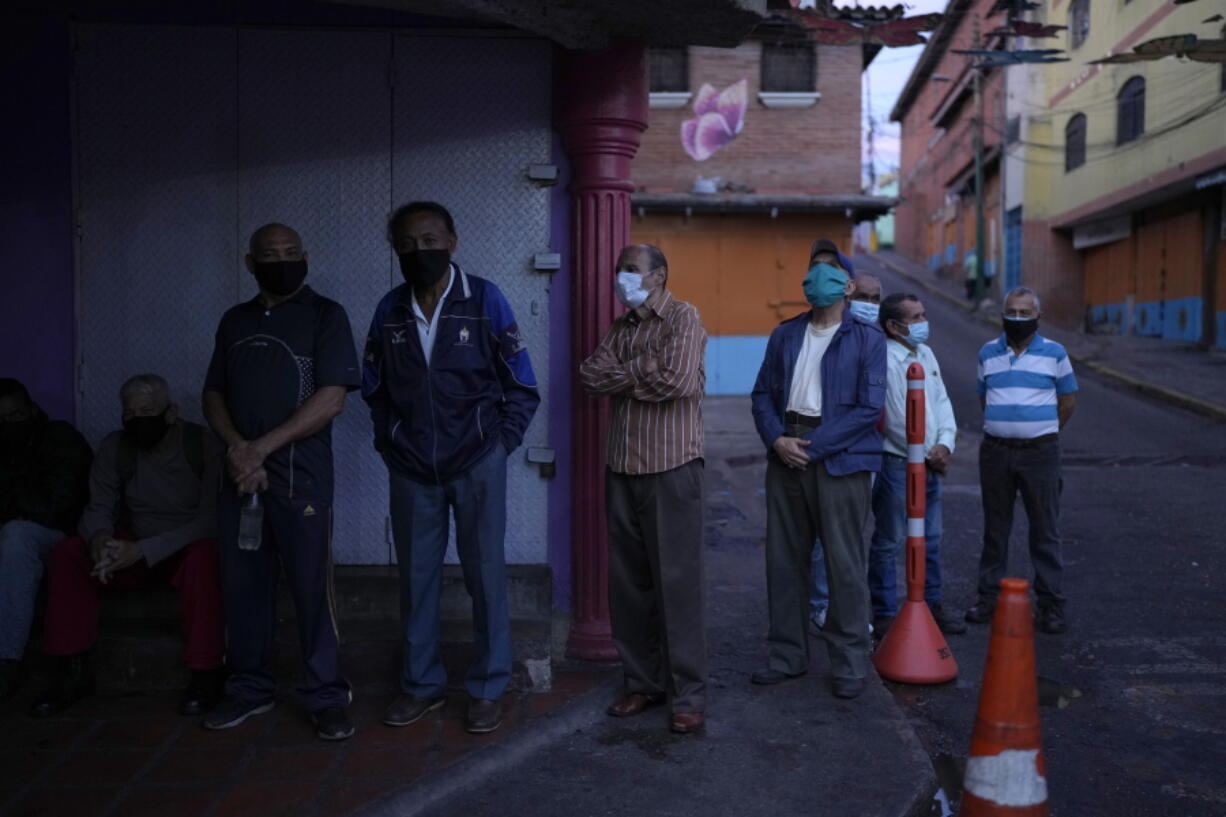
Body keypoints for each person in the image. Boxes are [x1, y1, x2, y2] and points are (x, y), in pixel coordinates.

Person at [364, 202, 539, 736]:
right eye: (409, 243)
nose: (422, 251)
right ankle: (421, 685)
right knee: (416, 580)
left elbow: (522, 385)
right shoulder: (389, 310)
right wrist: (392, 443)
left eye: (431, 239)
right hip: (412, 468)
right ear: (396, 249)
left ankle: (488, 686)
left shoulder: (485, 300)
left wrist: (498, 448)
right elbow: (374, 389)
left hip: (477, 463)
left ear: (453, 241)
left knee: (485, 576)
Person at [202, 223, 361, 740]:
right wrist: (236, 449)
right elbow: (213, 394)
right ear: (250, 263)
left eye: (291, 252)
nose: (281, 260)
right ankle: (248, 689)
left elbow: (332, 397)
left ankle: (325, 695)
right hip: (241, 481)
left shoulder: (325, 315)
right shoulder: (235, 320)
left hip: (301, 480)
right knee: (243, 589)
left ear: (306, 257)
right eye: (270, 254)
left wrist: (260, 449)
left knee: (312, 591)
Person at [31, 374, 225, 717]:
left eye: (147, 411)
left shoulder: (202, 445)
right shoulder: (115, 447)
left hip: (182, 547)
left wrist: (144, 550)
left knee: (206, 558)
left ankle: (205, 673)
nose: (138, 421)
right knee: (68, 555)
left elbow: (210, 521)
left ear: (170, 412)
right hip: (132, 549)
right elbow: (98, 508)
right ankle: (70, 669)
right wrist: (101, 541)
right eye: (129, 413)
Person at [579, 244, 708, 735]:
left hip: (672, 467)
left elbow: (676, 381)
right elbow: (589, 376)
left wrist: (623, 376)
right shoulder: (622, 327)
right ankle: (642, 683)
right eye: (618, 269)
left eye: (630, 270)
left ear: (658, 275)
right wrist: (642, 370)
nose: (621, 277)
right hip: (623, 468)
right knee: (629, 586)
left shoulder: (683, 316)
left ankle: (688, 695)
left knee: (678, 586)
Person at [750, 239, 886, 699]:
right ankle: (787, 657)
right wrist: (776, 439)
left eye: (830, 268)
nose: (818, 275)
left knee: (845, 564)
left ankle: (849, 663)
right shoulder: (785, 334)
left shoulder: (868, 339)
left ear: (847, 284)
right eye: (814, 268)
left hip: (839, 460)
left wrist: (812, 447)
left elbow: (869, 409)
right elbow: (761, 395)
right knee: (783, 563)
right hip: (786, 451)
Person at [965, 287, 1077, 634]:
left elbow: (1068, 402)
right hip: (996, 452)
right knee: (995, 530)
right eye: (1011, 311)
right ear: (1002, 313)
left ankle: (1050, 605)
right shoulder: (988, 353)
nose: (1016, 318)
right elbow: (986, 399)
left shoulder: (1055, 353)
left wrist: (1038, 431)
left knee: (1045, 530)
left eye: (1024, 313)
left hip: (1040, 453)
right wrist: (1007, 427)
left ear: (1037, 317)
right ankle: (988, 598)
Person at [867, 295, 965, 637]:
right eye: (916, 317)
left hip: (930, 463)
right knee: (891, 540)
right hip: (896, 465)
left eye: (924, 314)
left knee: (931, 539)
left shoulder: (926, 353)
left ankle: (931, 605)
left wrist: (945, 444)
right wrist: (928, 452)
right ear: (894, 326)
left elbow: (942, 402)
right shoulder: (884, 358)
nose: (924, 322)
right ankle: (884, 614)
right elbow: (895, 416)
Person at [0, 379, 92, 701]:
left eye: (15, 415)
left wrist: (14, 497)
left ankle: (6, 661)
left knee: (16, 535)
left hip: (58, 537)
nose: (9, 424)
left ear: (30, 409)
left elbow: (57, 507)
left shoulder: (60, 439)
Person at [808, 268, 880, 634]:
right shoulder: (835, 338)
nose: (869, 305)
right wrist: (814, 446)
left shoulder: (875, 339)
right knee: (827, 541)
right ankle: (823, 607)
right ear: (848, 294)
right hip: (837, 453)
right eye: (863, 297)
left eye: (875, 299)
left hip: (877, 455)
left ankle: (858, 613)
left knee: (862, 540)